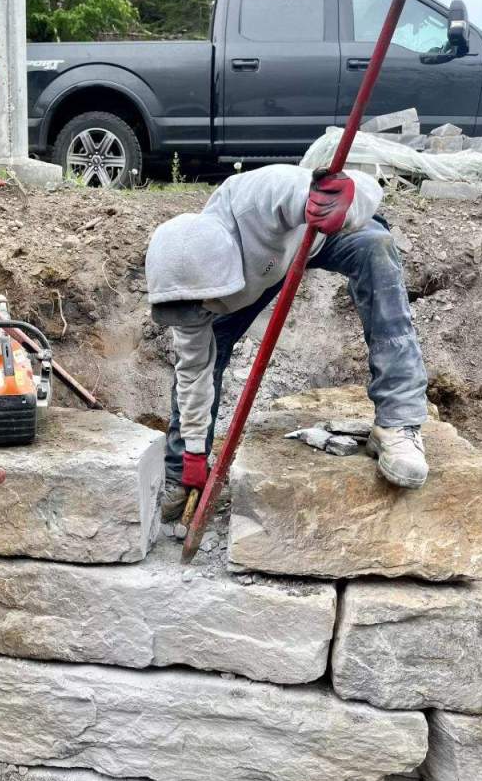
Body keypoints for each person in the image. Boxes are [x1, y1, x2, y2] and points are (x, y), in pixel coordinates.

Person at [145, 164, 429, 522]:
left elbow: (363, 186)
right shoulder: (186, 284)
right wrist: (193, 456)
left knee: (376, 247)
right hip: (257, 276)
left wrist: (342, 200)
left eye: (204, 309)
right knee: (204, 357)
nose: (200, 316)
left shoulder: (262, 196)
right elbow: (192, 374)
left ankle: (398, 423)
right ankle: (181, 473)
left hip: (317, 236)